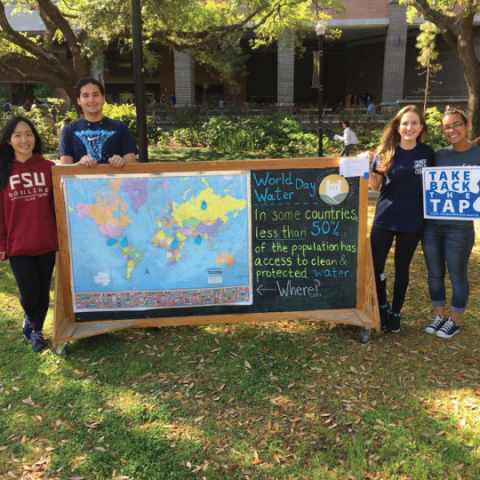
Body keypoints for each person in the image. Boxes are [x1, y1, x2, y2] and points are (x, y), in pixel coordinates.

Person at [369, 105, 434, 333]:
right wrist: (366, 166)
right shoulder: (386, 151)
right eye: (405, 123)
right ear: (398, 126)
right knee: (376, 266)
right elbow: (374, 185)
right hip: (384, 219)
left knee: (402, 267)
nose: (409, 127)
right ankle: (382, 307)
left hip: (412, 222)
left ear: (421, 127)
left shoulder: (428, 153)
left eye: (414, 123)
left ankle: (396, 313)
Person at [0, 116, 58, 352]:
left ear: (35, 137)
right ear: (9, 140)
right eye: (18, 135)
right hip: (18, 243)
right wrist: (2, 242)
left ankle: (36, 331)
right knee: (29, 293)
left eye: (28, 134)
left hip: (46, 240)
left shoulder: (49, 168)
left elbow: (58, 207)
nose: (24, 140)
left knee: (44, 289)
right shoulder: (3, 171)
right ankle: (29, 316)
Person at [422, 107, 480, 339]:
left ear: (466, 125)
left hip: (460, 228)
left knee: (457, 275)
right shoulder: (439, 155)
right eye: (447, 126)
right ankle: (439, 316)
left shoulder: (478, 155)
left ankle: (454, 320)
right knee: (434, 274)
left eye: (457, 124)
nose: (452, 130)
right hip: (431, 226)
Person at [58, 78, 137, 168]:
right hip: (81, 182)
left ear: (103, 98)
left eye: (96, 95)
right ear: (79, 100)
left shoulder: (120, 128)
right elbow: (64, 170)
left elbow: (133, 165)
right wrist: (79, 164)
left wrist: (122, 162)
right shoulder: (68, 130)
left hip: (114, 182)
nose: (91, 100)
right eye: (85, 96)